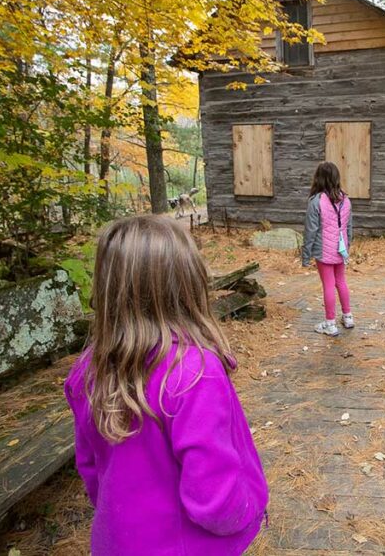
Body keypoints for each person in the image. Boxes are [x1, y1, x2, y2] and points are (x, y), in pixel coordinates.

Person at [64, 215, 268, 556]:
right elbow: (215, 499)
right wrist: (248, 507)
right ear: (188, 284)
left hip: (118, 541)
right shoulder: (196, 374)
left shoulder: (87, 371)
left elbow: (91, 469)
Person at [302, 161, 354, 336]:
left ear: (318, 178)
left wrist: (305, 255)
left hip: (323, 250)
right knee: (341, 282)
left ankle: (330, 323)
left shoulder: (315, 202)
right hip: (341, 248)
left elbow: (311, 231)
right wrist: (348, 245)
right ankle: (348, 317)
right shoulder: (346, 199)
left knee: (329, 285)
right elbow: (349, 227)